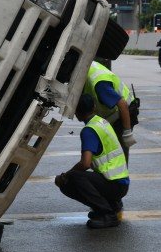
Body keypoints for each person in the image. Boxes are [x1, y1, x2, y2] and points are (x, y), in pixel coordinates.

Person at [55, 94, 130, 229]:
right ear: (94, 107)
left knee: (72, 179)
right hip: (120, 182)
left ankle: (108, 215)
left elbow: (85, 164)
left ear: (76, 113)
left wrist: (65, 176)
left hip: (115, 184)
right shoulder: (101, 122)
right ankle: (111, 206)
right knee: (77, 176)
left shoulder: (89, 130)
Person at [83, 59, 138, 158]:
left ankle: (122, 172)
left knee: (119, 152)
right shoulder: (86, 65)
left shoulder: (99, 84)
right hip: (113, 115)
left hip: (124, 114)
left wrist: (127, 133)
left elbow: (122, 104)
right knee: (110, 150)